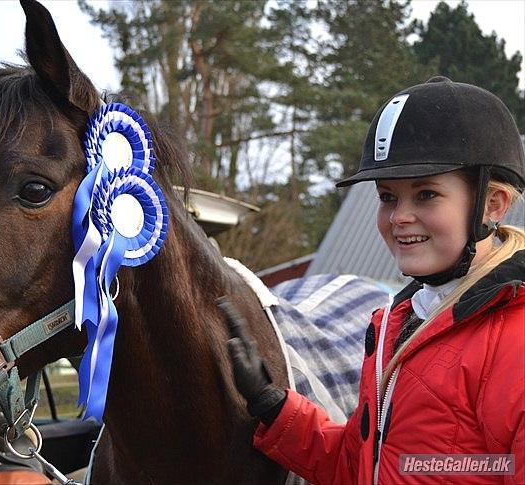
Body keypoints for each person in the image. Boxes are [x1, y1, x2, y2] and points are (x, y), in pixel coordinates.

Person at [221, 76, 525, 484]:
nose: (399, 216)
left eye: (426, 194)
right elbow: (360, 465)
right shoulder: (396, 324)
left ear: (492, 204)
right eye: (387, 197)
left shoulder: (515, 341)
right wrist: (272, 406)